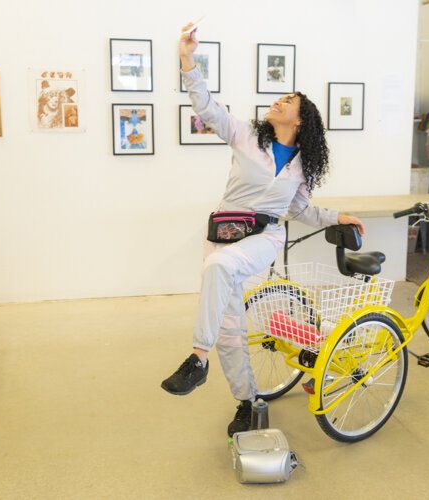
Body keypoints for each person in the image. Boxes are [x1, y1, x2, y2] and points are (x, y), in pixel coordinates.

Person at [161, 21, 365, 437]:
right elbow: (205, 106)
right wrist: (187, 58)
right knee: (231, 329)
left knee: (217, 268)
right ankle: (248, 401)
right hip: (222, 234)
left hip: (264, 238)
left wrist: (336, 216)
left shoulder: (302, 167)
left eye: (287, 100)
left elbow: (302, 209)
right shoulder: (245, 136)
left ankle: (196, 359)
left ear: (301, 118)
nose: (277, 101)